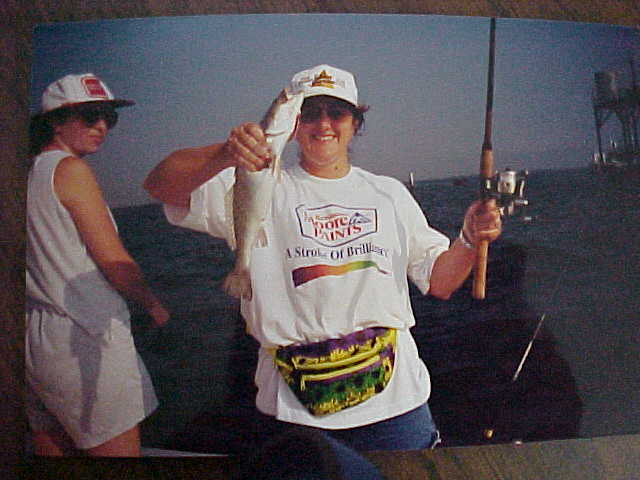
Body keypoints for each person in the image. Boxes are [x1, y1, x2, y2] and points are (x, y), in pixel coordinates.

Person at [144, 64, 501, 452]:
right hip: (294, 414)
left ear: (355, 123)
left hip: (397, 409)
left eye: (337, 112)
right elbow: (159, 185)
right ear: (293, 124)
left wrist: (469, 238)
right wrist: (226, 153)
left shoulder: (390, 194)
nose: (324, 124)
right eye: (311, 113)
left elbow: (441, 282)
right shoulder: (253, 179)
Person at [26, 73, 170, 456]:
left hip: (36, 338)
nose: (102, 126)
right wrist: (154, 306)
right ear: (56, 122)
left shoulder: (28, 173)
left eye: (109, 117)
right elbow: (113, 260)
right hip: (85, 336)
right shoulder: (70, 170)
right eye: (91, 116)